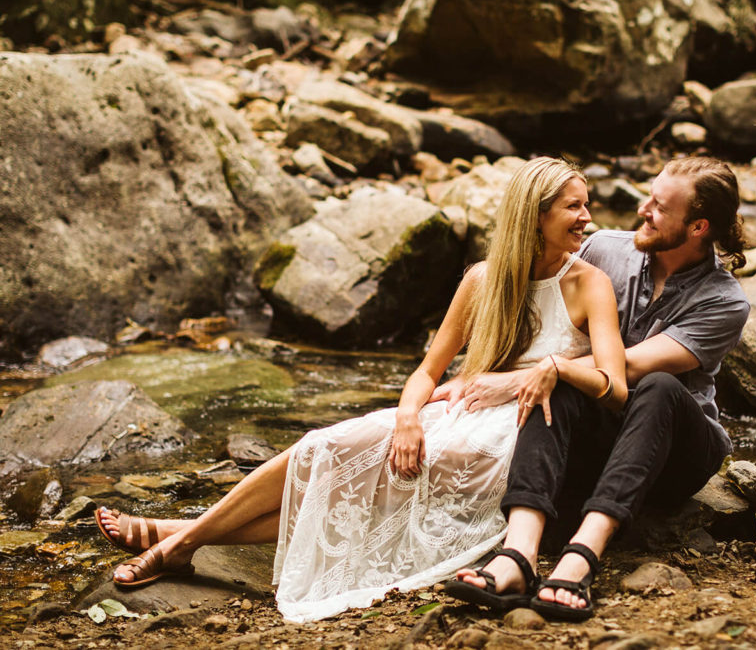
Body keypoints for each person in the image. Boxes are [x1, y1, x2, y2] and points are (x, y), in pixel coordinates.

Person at [94, 157, 627, 623]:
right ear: (533, 215)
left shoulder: (589, 284)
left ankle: (182, 539)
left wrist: (551, 366)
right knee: (325, 445)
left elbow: (613, 385)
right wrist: (407, 419)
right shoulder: (483, 280)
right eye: (573, 207)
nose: (587, 219)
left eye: (586, 205)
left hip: (520, 429)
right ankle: (187, 537)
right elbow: (426, 371)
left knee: (375, 491)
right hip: (456, 408)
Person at [441, 156, 750, 621]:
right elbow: (546, 309)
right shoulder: (605, 248)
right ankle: (517, 555)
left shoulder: (725, 301)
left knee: (660, 386)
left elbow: (627, 366)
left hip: (676, 451)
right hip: (604, 431)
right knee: (563, 383)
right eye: (649, 196)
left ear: (698, 227)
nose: (643, 210)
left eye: (660, 208)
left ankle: (580, 556)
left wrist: (514, 380)